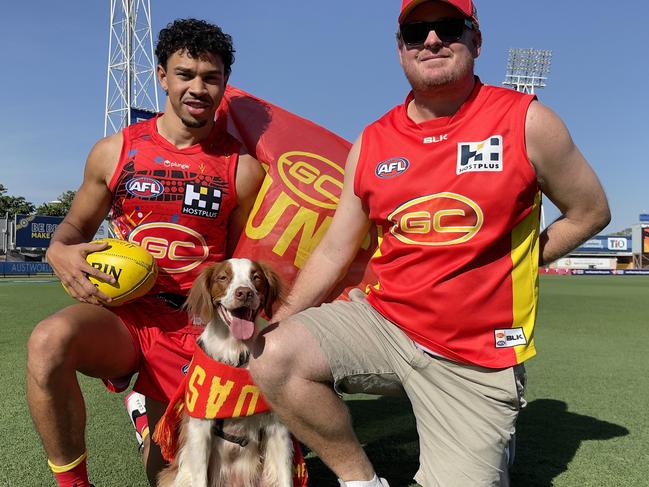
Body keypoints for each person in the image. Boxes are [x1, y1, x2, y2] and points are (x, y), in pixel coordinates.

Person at [248, 1, 610, 486]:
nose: (432, 40)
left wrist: (521, 260)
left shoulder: (526, 120)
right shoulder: (373, 141)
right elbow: (336, 248)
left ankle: (489, 433)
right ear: (401, 49)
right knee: (272, 353)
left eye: (448, 27)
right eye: (417, 31)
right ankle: (362, 480)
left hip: (476, 357)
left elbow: (590, 212)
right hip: (386, 326)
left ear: (476, 40)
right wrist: (282, 318)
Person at [26, 18, 265, 487]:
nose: (198, 88)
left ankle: (146, 415)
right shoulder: (115, 151)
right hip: (124, 315)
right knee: (48, 341)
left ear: (224, 84)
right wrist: (59, 250)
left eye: (211, 77)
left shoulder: (243, 169)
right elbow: (74, 227)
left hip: (193, 327)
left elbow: (241, 260)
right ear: (162, 76)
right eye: (185, 74)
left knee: (176, 477)